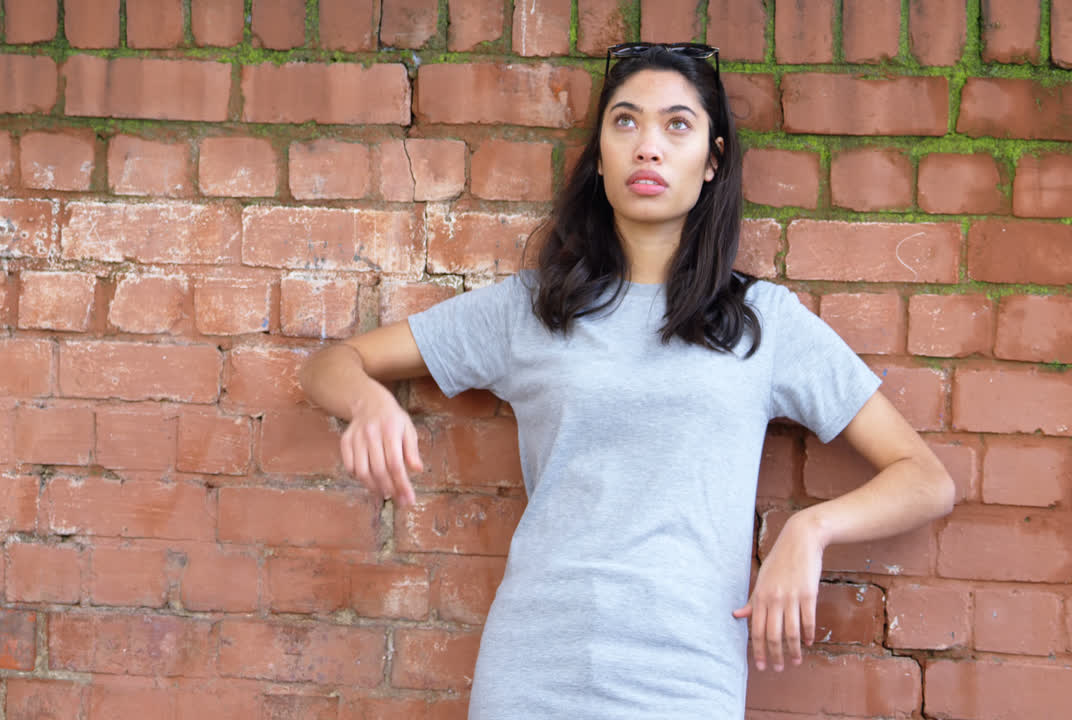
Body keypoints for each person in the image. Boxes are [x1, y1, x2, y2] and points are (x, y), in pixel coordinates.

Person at [298, 42, 956, 719]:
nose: (649, 146)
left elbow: (926, 479)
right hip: (532, 673)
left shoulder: (763, 323)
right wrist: (368, 401)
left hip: (686, 683)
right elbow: (329, 365)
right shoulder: (533, 309)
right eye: (625, 121)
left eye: (677, 125)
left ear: (713, 160)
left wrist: (811, 530)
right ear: (601, 157)